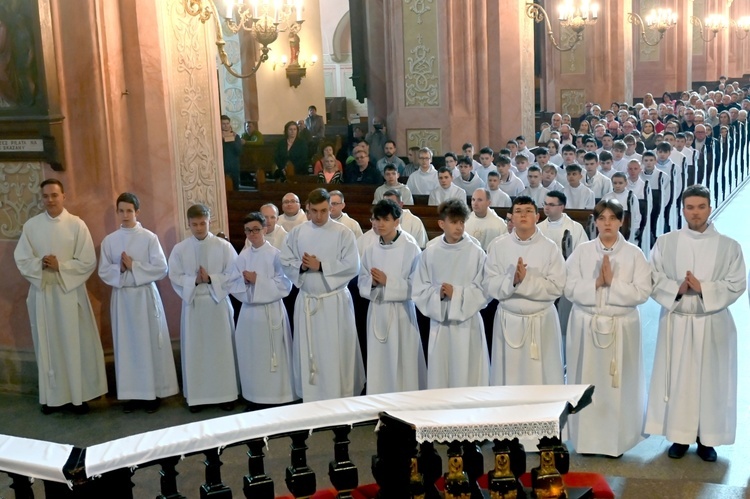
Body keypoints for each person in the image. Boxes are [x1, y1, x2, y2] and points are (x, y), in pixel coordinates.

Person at [645, 185, 746, 462]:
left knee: (710, 382)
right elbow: (652, 277)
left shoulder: (728, 246)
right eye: (690, 207)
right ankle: (680, 436)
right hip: (678, 321)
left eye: (701, 207)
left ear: (710, 208)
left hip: (712, 322)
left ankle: (706, 439)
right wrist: (678, 288)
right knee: (679, 380)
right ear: (682, 209)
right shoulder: (666, 242)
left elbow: (737, 283)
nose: (695, 213)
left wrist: (704, 288)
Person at [565, 199, 651, 457]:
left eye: (613, 218)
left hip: (620, 326)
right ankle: (586, 440)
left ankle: (617, 441)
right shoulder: (581, 252)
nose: (607, 223)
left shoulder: (635, 254)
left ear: (621, 222)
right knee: (586, 381)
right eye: (602, 218)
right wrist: (595, 283)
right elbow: (568, 287)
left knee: (618, 384)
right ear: (595, 222)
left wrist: (612, 283)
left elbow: (643, 292)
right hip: (587, 324)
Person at [14, 179, 107, 415]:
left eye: (54, 195)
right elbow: (22, 259)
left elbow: (88, 261)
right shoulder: (31, 227)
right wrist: (41, 265)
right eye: (45, 196)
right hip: (43, 293)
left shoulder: (76, 225)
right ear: (41, 198)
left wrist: (61, 267)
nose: (50, 200)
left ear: (64, 196)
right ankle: (52, 398)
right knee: (48, 345)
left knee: (73, 344)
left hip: (69, 294)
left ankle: (78, 397)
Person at [280, 188, 365, 401]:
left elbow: (353, 265)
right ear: (307, 209)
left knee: (335, 351)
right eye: (315, 211)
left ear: (331, 208)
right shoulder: (298, 232)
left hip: (333, 301)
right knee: (310, 349)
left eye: (324, 211)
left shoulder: (342, 232)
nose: (319, 216)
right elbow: (285, 261)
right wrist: (301, 267)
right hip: (308, 301)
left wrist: (321, 266)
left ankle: (339, 393)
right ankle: (312, 394)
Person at [98, 193, 178, 413]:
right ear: (117, 212)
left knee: (147, 343)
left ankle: (152, 394)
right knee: (127, 345)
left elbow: (162, 268)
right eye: (121, 211)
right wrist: (120, 269)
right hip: (123, 299)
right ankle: (132, 395)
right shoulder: (110, 241)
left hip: (144, 296)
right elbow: (104, 271)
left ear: (137, 212)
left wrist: (134, 266)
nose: (125, 215)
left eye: (129, 211)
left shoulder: (149, 238)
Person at [484, 196, 565, 386]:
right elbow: (489, 283)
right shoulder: (498, 246)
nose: (523, 215)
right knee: (509, 380)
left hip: (540, 321)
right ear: (511, 217)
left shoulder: (550, 247)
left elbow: (557, 286)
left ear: (537, 216)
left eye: (528, 211)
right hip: (508, 320)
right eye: (518, 211)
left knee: (542, 380)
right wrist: (512, 281)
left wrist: (525, 281)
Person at [168, 204, 239, 412]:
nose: (199, 228)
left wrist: (211, 279)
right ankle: (198, 397)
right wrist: (194, 282)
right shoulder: (180, 249)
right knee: (196, 351)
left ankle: (226, 394)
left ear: (210, 221)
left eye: (203, 223)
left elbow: (233, 273)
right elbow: (174, 275)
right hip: (194, 305)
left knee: (221, 350)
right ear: (188, 224)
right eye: (195, 224)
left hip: (217, 304)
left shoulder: (223, 247)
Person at [412, 199, 490, 388]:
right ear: (441, 224)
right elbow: (419, 289)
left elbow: (484, 290)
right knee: (442, 376)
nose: (459, 227)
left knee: (469, 375)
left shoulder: (475, 252)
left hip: (467, 324)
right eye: (454, 222)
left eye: (462, 222)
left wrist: (457, 293)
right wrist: (438, 293)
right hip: (441, 325)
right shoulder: (430, 252)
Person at [358, 200, 426, 394]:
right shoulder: (370, 249)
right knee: (380, 361)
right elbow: (362, 279)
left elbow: (418, 285)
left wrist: (389, 281)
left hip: (401, 313)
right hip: (378, 311)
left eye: (386, 219)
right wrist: (371, 283)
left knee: (403, 361)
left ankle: (405, 403)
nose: (380, 224)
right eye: (377, 219)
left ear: (397, 221)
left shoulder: (410, 248)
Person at [232, 212, 296, 409]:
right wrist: (243, 281)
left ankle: (277, 396)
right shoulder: (242, 256)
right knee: (252, 355)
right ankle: (254, 396)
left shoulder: (276, 255)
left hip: (271, 312)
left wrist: (257, 280)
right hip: (250, 313)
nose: (253, 234)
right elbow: (232, 283)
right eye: (248, 231)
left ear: (265, 229)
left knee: (273, 355)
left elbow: (285, 284)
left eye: (256, 230)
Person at [603, 172, 642, 246]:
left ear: (626, 183)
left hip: (628, 230)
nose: (617, 185)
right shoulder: (607, 197)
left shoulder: (632, 197)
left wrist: (633, 231)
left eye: (620, 183)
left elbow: (637, 215)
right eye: (615, 183)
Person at [221, 115, 243, 190]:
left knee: (235, 188)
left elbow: (239, 151)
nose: (226, 126)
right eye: (223, 124)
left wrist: (233, 140)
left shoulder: (236, 137)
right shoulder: (217, 136)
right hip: (222, 167)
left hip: (234, 167)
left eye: (227, 123)